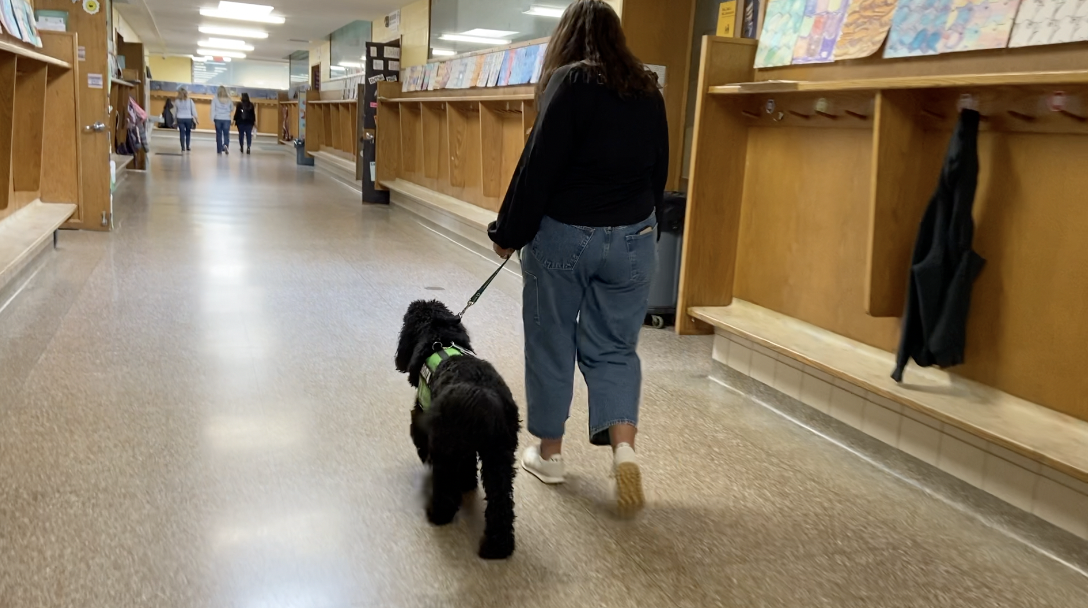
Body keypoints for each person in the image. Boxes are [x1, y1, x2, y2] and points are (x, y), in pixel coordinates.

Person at [487, 0, 668, 517]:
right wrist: (643, 228)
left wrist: (508, 233)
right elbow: (659, 170)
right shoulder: (648, 89)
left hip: (565, 236)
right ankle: (624, 450)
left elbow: (537, 168)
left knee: (551, 341)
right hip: (634, 236)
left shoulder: (569, 82)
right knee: (615, 348)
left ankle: (550, 456)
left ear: (566, 38)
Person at [211, 86, 234, 155]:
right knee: (226, 134)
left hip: (217, 118)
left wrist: (212, 119)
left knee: (219, 134)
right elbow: (232, 108)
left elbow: (213, 110)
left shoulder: (215, 99)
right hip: (227, 119)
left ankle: (219, 150)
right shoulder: (229, 99)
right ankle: (225, 145)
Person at [174, 88, 198, 152]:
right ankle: (188, 146)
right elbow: (193, 111)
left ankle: (182, 147)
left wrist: (175, 120)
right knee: (188, 132)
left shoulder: (177, 101)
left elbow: (175, 112)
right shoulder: (190, 101)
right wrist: (196, 119)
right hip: (188, 118)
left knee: (182, 132)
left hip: (180, 118)